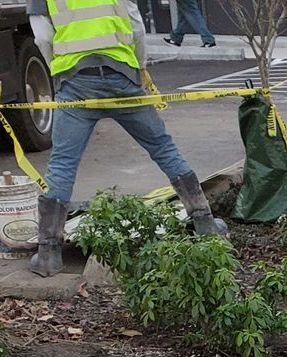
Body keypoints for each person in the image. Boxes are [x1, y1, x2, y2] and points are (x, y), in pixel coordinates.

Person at [26, 0, 228, 276]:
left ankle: (48, 255)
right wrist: (139, 71)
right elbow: (136, 28)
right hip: (122, 77)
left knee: (63, 163)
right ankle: (206, 226)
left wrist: (59, 72)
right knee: (163, 148)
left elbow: (42, 37)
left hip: (75, 83)